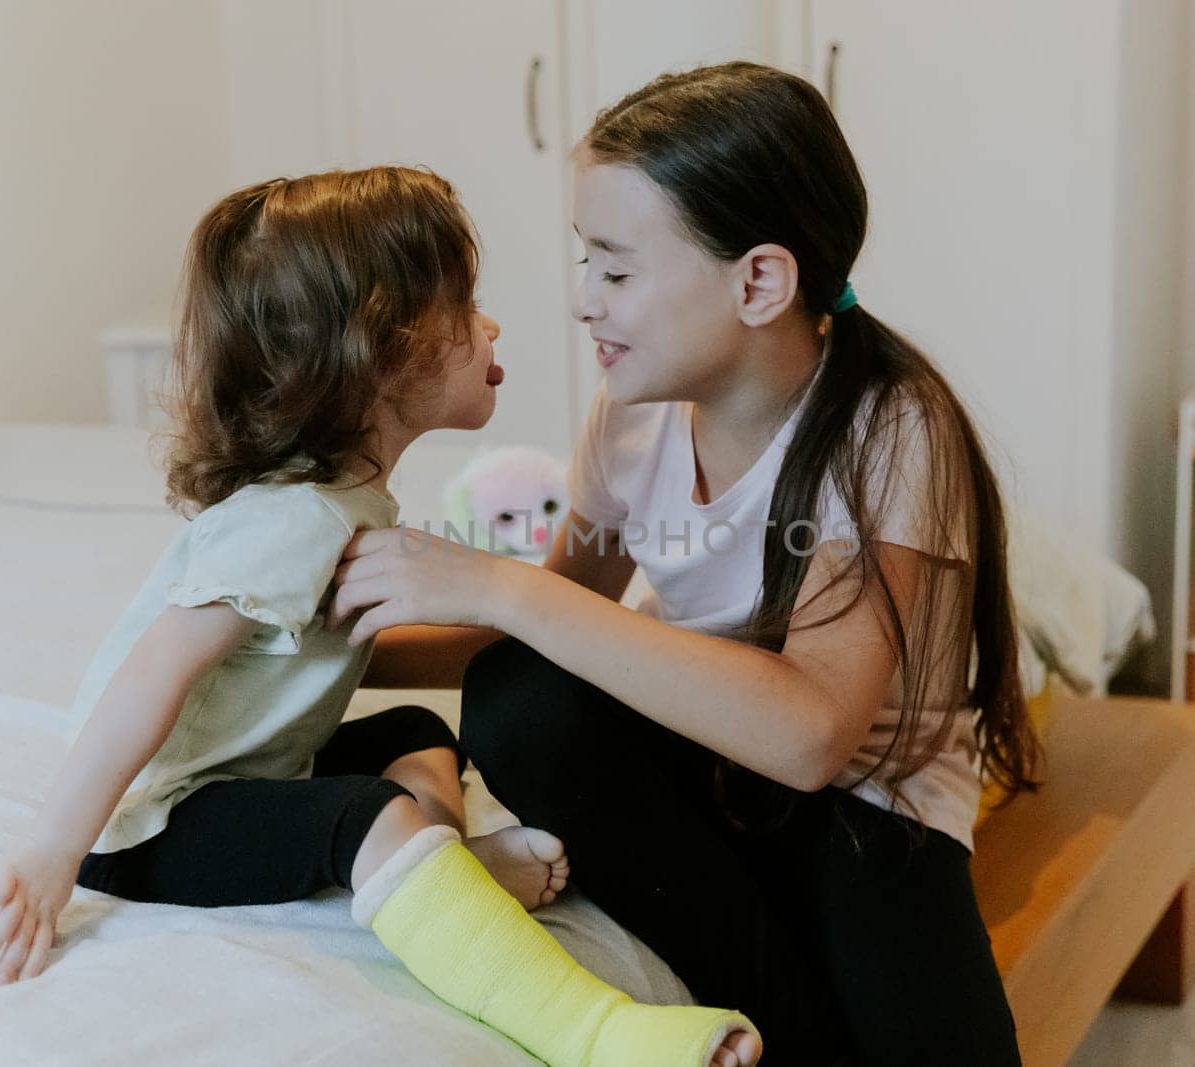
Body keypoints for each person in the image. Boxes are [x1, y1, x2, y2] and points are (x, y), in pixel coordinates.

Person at [0, 167, 761, 1067]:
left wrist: (514, 606)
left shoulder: (343, 498)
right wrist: (52, 851)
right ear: (382, 353)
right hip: (155, 825)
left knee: (420, 731)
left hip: (249, 770)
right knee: (367, 813)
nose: (491, 324)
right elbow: (158, 666)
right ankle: (596, 1030)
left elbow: (351, 643)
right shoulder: (292, 517)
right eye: (464, 307)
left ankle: (444, 871)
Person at [330, 64, 1037, 1066]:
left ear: (758, 281)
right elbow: (553, 619)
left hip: (865, 800)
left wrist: (496, 581)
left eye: (615, 270)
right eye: (586, 263)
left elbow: (811, 737)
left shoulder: (887, 426)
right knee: (520, 696)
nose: (584, 302)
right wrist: (338, 649)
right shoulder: (633, 413)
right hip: (702, 756)